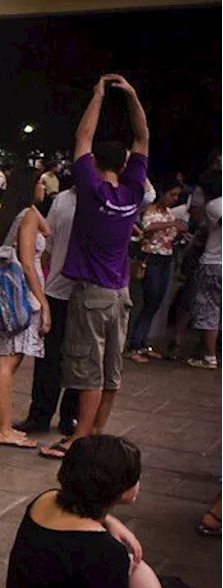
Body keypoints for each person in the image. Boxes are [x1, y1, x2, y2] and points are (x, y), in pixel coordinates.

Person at [1, 435, 208, 588]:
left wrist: (111, 521)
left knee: (135, 572)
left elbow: (75, 513)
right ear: (119, 489)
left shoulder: (44, 500)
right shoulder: (104, 552)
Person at [41, 75, 150, 459]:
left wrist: (99, 95)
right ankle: (99, 429)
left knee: (87, 370)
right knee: (111, 370)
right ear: (124, 164)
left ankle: (81, 437)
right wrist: (133, 97)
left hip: (90, 295)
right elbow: (142, 138)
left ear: (95, 163)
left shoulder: (90, 191)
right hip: (120, 294)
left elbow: (82, 137)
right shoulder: (133, 193)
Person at [0, 169, 51, 448]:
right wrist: (43, 303)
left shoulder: (7, 213)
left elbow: (48, 231)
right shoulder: (28, 216)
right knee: (8, 362)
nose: (44, 188)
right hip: (19, 297)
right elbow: (29, 262)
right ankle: (4, 429)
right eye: (40, 183)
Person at [15, 181, 83, 437]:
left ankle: (71, 415)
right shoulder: (63, 199)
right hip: (56, 289)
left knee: (79, 358)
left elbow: (148, 193)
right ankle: (40, 414)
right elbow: (48, 242)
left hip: (86, 291)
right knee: (47, 358)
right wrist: (42, 288)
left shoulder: (105, 197)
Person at [128, 181, 189, 361]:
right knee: (150, 298)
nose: (174, 199)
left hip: (166, 257)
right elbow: (147, 227)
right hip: (151, 257)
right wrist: (171, 224)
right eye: (172, 194)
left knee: (156, 302)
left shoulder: (170, 213)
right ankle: (135, 344)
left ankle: (143, 341)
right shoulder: (150, 211)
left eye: (177, 196)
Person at [186, 170, 223, 370]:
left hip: (213, 262)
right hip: (216, 262)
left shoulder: (215, 205)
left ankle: (210, 356)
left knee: (210, 309)